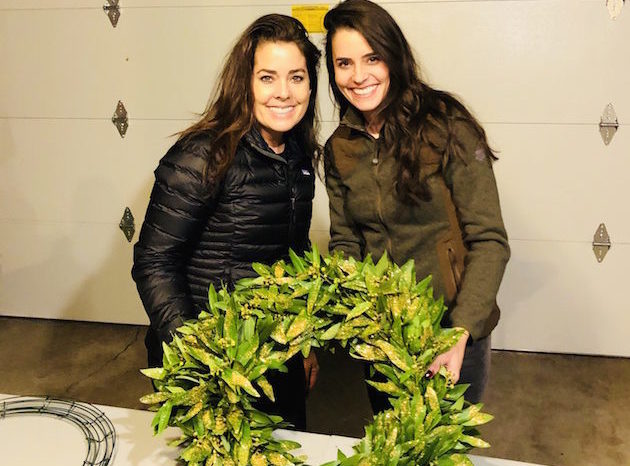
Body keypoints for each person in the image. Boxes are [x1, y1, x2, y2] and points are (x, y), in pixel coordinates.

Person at [132, 14, 321, 430]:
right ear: (245, 83)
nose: (284, 93)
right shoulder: (204, 155)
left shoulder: (298, 156)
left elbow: (292, 255)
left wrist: (303, 342)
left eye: (297, 77)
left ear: (311, 84)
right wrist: (195, 357)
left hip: (273, 353)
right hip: (208, 363)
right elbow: (153, 263)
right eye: (268, 78)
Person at [322, 0, 510, 409]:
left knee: (445, 446)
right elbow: (345, 242)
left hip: (452, 327)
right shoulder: (339, 149)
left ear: (394, 57)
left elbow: (490, 241)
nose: (358, 76)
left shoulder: (448, 126)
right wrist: (353, 315)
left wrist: (460, 331)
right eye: (344, 63)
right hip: (382, 334)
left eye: (372, 58)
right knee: (394, 441)